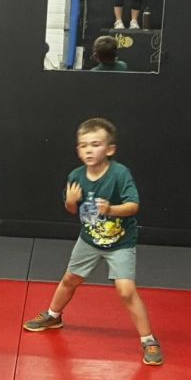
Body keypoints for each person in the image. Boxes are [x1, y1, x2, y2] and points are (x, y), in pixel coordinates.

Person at [23, 118, 161, 366]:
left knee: (126, 290)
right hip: (89, 240)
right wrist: (70, 201)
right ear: (78, 150)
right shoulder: (76, 176)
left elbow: (133, 206)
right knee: (70, 279)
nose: (89, 150)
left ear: (109, 149)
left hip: (120, 242)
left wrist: (111, 209)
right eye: (84, 145)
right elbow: (71, 209)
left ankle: (148, 340)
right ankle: (53, 315)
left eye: (95, 144)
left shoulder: (120, 174)